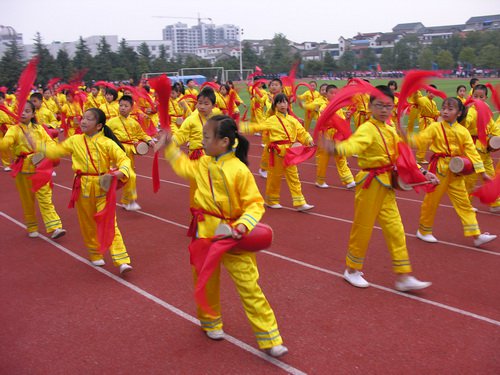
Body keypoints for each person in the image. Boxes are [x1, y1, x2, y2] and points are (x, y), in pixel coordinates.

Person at [155, 115, 288, 358]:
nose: (202, 141)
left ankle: (269, 336)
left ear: (225, 141)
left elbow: (255, 205)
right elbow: (184, 167)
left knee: (249, 285)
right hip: (205, 232)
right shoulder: (204, 163)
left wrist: (241, 227)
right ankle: (210, 322)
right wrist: (169, 146)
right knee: (205, 280)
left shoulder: (239, 170)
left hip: (233, 236)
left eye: (206, 137)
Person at [325, 86, 434, 291]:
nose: (384, 110)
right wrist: (337, 148)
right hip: (369, 184)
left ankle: (403, 275)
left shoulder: (390, 129)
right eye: (379, 105)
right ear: (370, 106)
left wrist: (424, 173)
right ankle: (352, 270)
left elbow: (403, 156)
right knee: (363, 227)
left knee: (396, 229)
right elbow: (354, 145)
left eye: (388, 106)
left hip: (387, 184)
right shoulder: (367, 128)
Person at [41, 108, 133, 274]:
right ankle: (94, 252)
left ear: (98, 126)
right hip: (82, 186)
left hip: (102, 186)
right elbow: (55, 152)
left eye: (89, 119)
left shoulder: (107, 143)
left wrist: (120, 172)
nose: (83, 121)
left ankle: (121, 259)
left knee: (109, 222)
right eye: (83, 118)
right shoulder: (75, 140)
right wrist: (39, 143)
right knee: (88, 223)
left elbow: (124, 159)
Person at [411, 97, 497, 247]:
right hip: (439, 170)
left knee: (464, 202)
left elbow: (473, 152)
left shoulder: (463, 131)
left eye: (450, 109)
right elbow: (421, 140)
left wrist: (482, 173)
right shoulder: (435, 127)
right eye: (443, 108)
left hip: (456, 170)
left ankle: (476, 235)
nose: (445, 111)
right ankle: (423, 231)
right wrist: (408, 138)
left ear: (458, 113)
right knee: (431, 202)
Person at [0, 101, 66, 239]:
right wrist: (7, 142)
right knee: (27, 200)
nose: (23, 113)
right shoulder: (14, 130)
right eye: (21, 111)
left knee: (45, 198)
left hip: (40, 168)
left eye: (27, 111)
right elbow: (6, 144)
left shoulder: (39, 129)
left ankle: (55, 227)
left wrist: (43, 151)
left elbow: (50, 143)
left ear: (33, 114)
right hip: (23, 169)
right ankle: (32, 226)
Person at [243, 93, 315, 211]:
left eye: (285, 102)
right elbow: (258, 126)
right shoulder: (271, 120)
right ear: (275, 105)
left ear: (288, 104)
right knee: (274, 177)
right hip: (277, 152)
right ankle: (271, 200)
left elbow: (302, 132)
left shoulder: (293, 120)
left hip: (290, 152)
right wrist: (241, 126)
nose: (283, 104)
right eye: (280, 102)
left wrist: (309, 140)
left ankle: (300, 202)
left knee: (294, 177)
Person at [107, 95, 154, 211]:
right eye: (121, 105)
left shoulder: (133, 122)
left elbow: (141, 134)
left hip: (129, 152)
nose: (122, 108)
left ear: (131, 108)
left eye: (126, 106)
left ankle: (126, 201)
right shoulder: (111, 122)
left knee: (127, 176)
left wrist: (149, 140)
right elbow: (104, 135)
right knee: (130, 175)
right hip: (117, 151)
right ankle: (129, 201)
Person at [461, 84, 500, 213]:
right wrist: (465, 112)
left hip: (485, 148)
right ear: (472, 97)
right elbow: (466, 123)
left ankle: (495, 202)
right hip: (473, 149)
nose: (478, 98)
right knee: (470, 179)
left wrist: (496, 137)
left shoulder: (487, 111)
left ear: (485, 98)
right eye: (475, 96)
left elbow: (493, 126)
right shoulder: (471, 111)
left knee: (490, 176)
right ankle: (466, 203)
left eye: (481, 96)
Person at [315, 85, 356, 189]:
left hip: (337, 135)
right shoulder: (324, 107)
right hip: (326, 134)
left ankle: (348, 179)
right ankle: (320, 180)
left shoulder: (339, 107)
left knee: (340, 155)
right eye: (331, 93)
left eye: (335, 93)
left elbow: (340, 119)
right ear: (326, 94)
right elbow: (325, 121)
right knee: (324, 159)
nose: (333, 95)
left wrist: (345, 116)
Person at [415, 86, 440, 164]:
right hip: (425, 121)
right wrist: (416, 89)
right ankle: (420, 158)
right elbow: (416, 99)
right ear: (427, 92)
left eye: (434, 93)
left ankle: (438, 154)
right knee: (424, 140)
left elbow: (435, 112)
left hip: (431, 122)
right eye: (430, 92)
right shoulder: (423, 100)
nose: (432, 94)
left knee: (436, 137)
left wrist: (440, 113)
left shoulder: (433, 102)